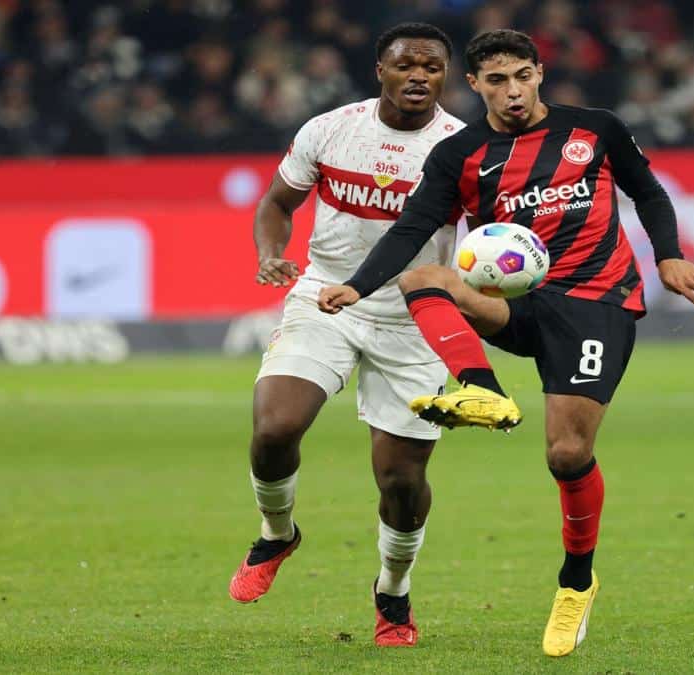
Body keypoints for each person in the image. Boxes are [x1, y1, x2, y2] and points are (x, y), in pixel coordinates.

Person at [318, 29, 694, 657]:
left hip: (594, 305)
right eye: (498, 80)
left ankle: (576, 583)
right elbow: (413, 228)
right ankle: (482, 390)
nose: (513, 91)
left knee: (566, 454)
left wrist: (668, 255)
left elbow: (647, 190)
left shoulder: (595, 129)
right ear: (474, 85)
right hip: (516, 302)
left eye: (523, 76)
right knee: (424, 279)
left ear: (539, 75)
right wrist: (357, 285)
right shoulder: (459, 154)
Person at [227, 23, 465, 649]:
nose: (419, 76)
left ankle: (393, 590)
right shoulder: (331, 130)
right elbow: (277, 204)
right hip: (326, 297)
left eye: (432, 67)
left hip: (413, 319)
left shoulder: (463, 149)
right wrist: (270, 254)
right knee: (274, 427)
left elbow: (493, 235)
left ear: (446, 76)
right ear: (380, 70)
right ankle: (277, 534)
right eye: (406, 65)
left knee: (401, 482)